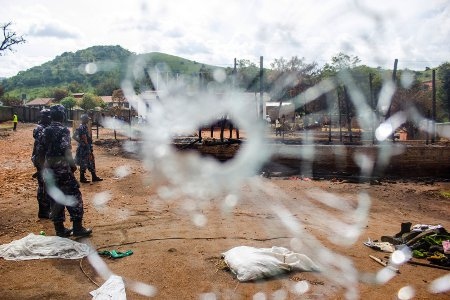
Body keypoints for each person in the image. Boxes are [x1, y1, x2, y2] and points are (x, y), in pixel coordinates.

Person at [38, 105, 92, 237]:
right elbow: (66, 151)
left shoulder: (45, 131)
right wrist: (72, 166)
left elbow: (40, 151)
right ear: (63, 115)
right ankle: (77, 228)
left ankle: (60, 230)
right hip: (62, 169)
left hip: (49, 171)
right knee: (74, 196)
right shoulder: (63, 130)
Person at [31, 109, 52, 219]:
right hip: (41, 161)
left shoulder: (43, 128)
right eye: (49, 116)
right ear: (45, 117)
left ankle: (46, 209)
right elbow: (40, 149)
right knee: (43, 186)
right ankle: (43, 211)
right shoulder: (40, 129)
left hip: (43, 160)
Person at [73, 114, 103, 183]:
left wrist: (80, 142)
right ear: (84, 119)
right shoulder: (83, 127)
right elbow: (84, 138)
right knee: (87, 162)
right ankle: (85, 177)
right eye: (87, 119)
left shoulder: (81, 127)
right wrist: (85, 145)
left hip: (83, 147)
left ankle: (91, 176)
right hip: (85, 148)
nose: (88, 120)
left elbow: (74, 136)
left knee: (87, 161)